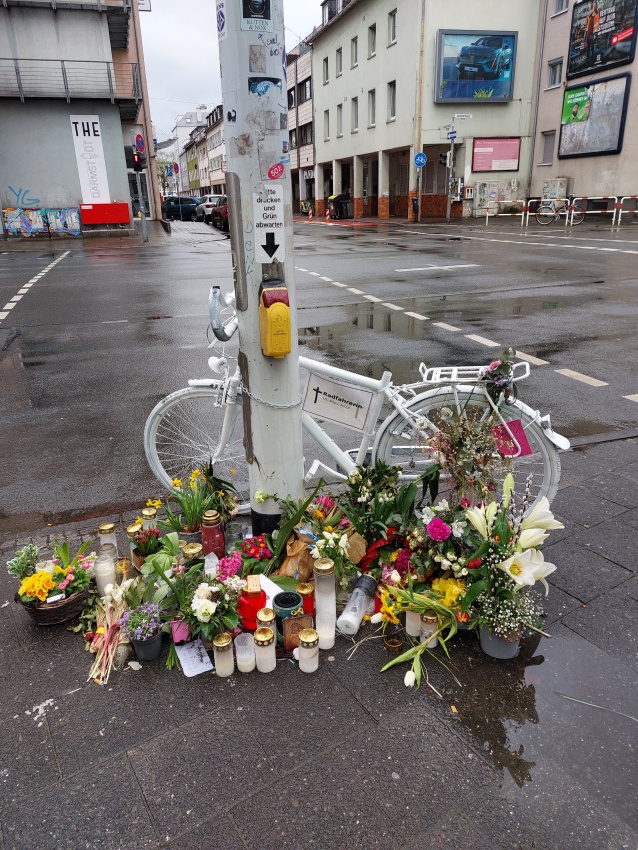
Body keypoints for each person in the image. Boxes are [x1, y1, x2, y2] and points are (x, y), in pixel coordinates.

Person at [585, 2, 600, 67]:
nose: (594, 7)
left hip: (593, 34)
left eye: (595, 6)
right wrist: (585, 34)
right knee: (588, 50)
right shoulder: (589, 16)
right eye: (593, 6)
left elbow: (597, 25)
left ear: (596, 7)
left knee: (593, 49)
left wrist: (595, 34)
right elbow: (587, 26)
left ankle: (593, 62)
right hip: (588, 35)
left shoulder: (597, 15)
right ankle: (588, 62)